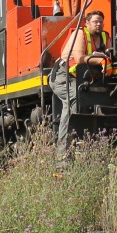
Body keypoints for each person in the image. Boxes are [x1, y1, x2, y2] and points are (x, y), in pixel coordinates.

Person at [48, 10, 110, 150]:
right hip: (63, 76)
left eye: (100, 21)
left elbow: (110, 55)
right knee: (74, 99)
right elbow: (79, 59)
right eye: (95, 22)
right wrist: (102, 60)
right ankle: (63, 151)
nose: (98, 24)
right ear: (87, 23)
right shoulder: (80, 34)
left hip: (83, 77)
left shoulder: (105, 37)